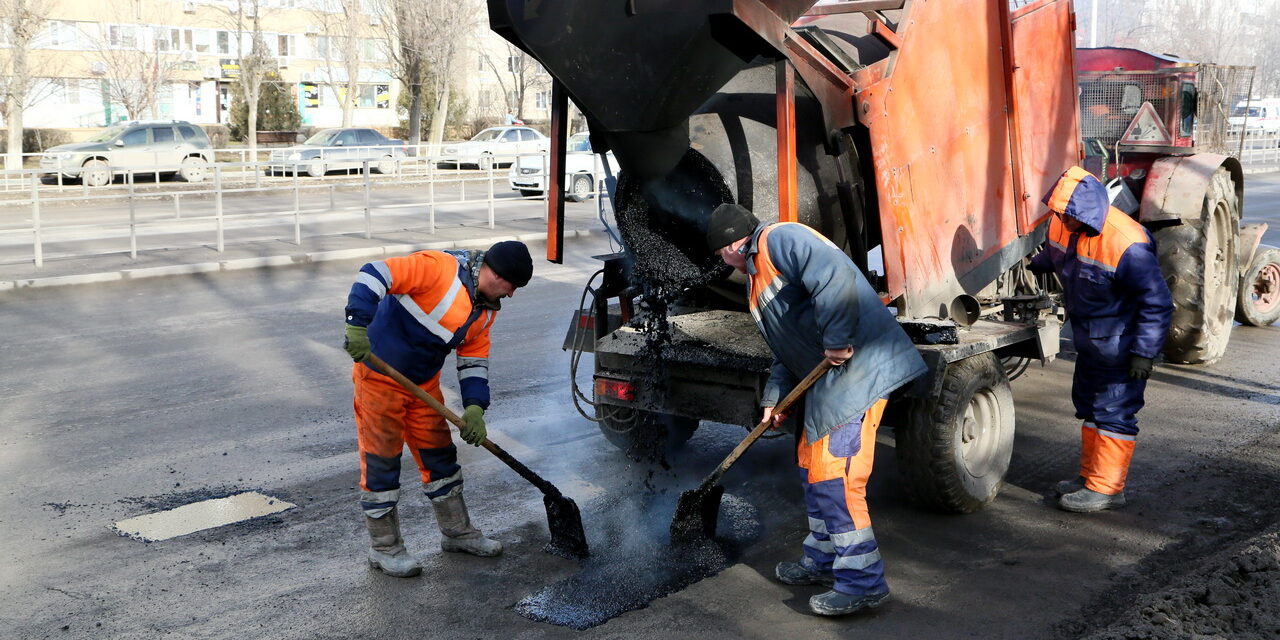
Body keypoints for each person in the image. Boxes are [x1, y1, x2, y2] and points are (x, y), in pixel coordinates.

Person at [706, 203, 927, 617]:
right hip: (826, 382)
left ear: (734, 242)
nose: (723, 262)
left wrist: (838, 337)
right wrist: (774, 400)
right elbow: (784, 350)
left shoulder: (780, 239)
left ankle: (862, 583)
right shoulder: (757, 281)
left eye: (721, 253)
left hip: (857, 371)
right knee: (812, 470)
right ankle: (824, 561)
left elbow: (835, 276)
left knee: (836, 479)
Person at [341, 241, 533, 577]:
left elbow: (474, 361)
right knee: (382, 462)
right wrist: (358, 324)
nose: (512, 295)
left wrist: (475, 408)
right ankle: (385, 548)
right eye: (512, 286)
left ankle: (458, 533)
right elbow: (375, 273)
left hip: (423, 386)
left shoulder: (484, 312)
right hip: (379, 378)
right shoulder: (438, 269)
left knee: (440, 458)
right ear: (496, 273)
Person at [1029, 166, 1173, 513]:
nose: (1063, 219)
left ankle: (1108, 489)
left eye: (1068, 213)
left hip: (1122, 345)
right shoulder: (1065, 224)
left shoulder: (1127, 244)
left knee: (1114, 411)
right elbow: (1058, 252)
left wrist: (1144, 353)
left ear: (1086, 211)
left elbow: (1157, 302)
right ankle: (1090, 478)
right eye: (1060, 212)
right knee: (1091, 407)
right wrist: (1041, 262)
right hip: (1091, 341)